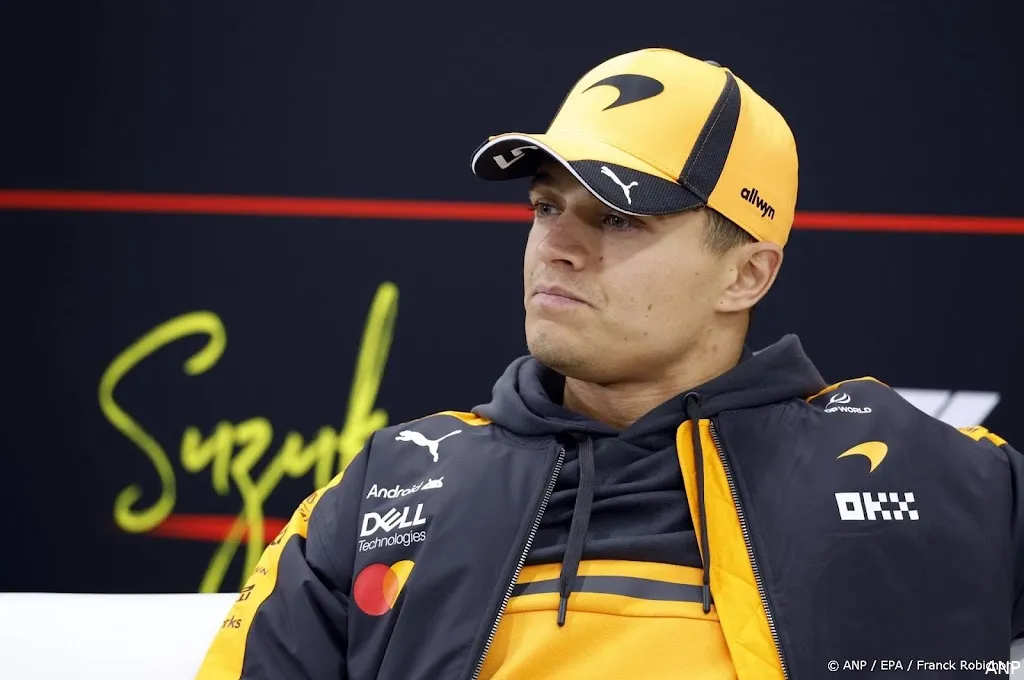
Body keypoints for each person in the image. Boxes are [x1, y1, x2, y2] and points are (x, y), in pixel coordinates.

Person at [196, 48, 1023, 679]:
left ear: (746, 275)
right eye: (545, 207)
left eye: (619, 220)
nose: (555, 247)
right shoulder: (388, 486)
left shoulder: (948, 480)